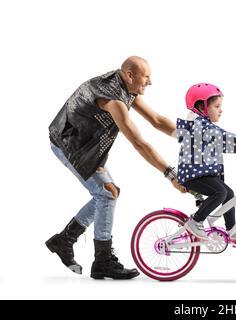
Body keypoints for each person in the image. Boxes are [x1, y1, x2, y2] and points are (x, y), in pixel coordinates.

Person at [46, 56, 186, 280]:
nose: (150, 82)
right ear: (130, 75)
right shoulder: (113, 98)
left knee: (107, 193)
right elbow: (139, 144)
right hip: (68, 144)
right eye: (146, 77)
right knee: (107, 194)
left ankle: (64, 240)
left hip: (83, 143)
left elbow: (157, 120)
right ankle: (102, 262)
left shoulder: (125, 86)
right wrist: (170, 174)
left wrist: (188, 135)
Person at [174, 83, 236, 242]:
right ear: (202, 106)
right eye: (217, 106)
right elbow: (221, 135)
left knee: (228, 194)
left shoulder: (205, 127)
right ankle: (195, 222)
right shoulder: (198, 125)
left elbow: (224, 144)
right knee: (220, 193)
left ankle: (231, 229)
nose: (220, 110)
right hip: (194, 176)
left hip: (203, 174)